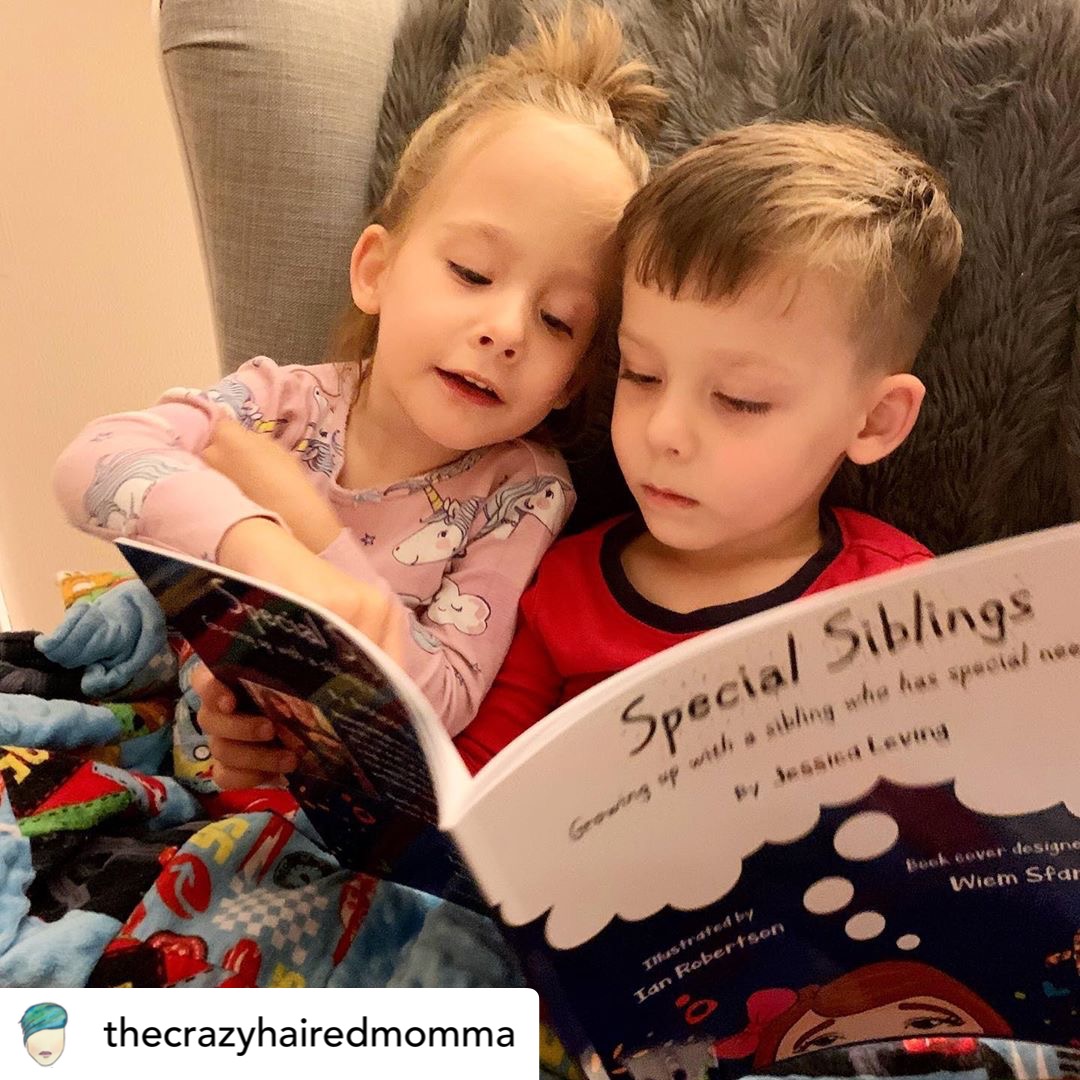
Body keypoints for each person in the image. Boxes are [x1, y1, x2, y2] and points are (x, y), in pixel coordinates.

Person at [53, 6, 665, 788]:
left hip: (332, 816)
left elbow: (445, 698)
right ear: (376, 270)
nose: (506, 330)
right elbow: (94, 462)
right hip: (194, 767)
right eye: (473, 273)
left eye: (558, 320)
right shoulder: (278, 403)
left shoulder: (523, 491)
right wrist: (261, 550)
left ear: (572, 381)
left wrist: (317, 544)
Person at [454, 120, 963, 773]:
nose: (663, 432)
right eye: (641, 374)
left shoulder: (903, 607)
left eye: (739, 400)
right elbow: (475, 781)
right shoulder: (563, 585)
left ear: (874, 422)